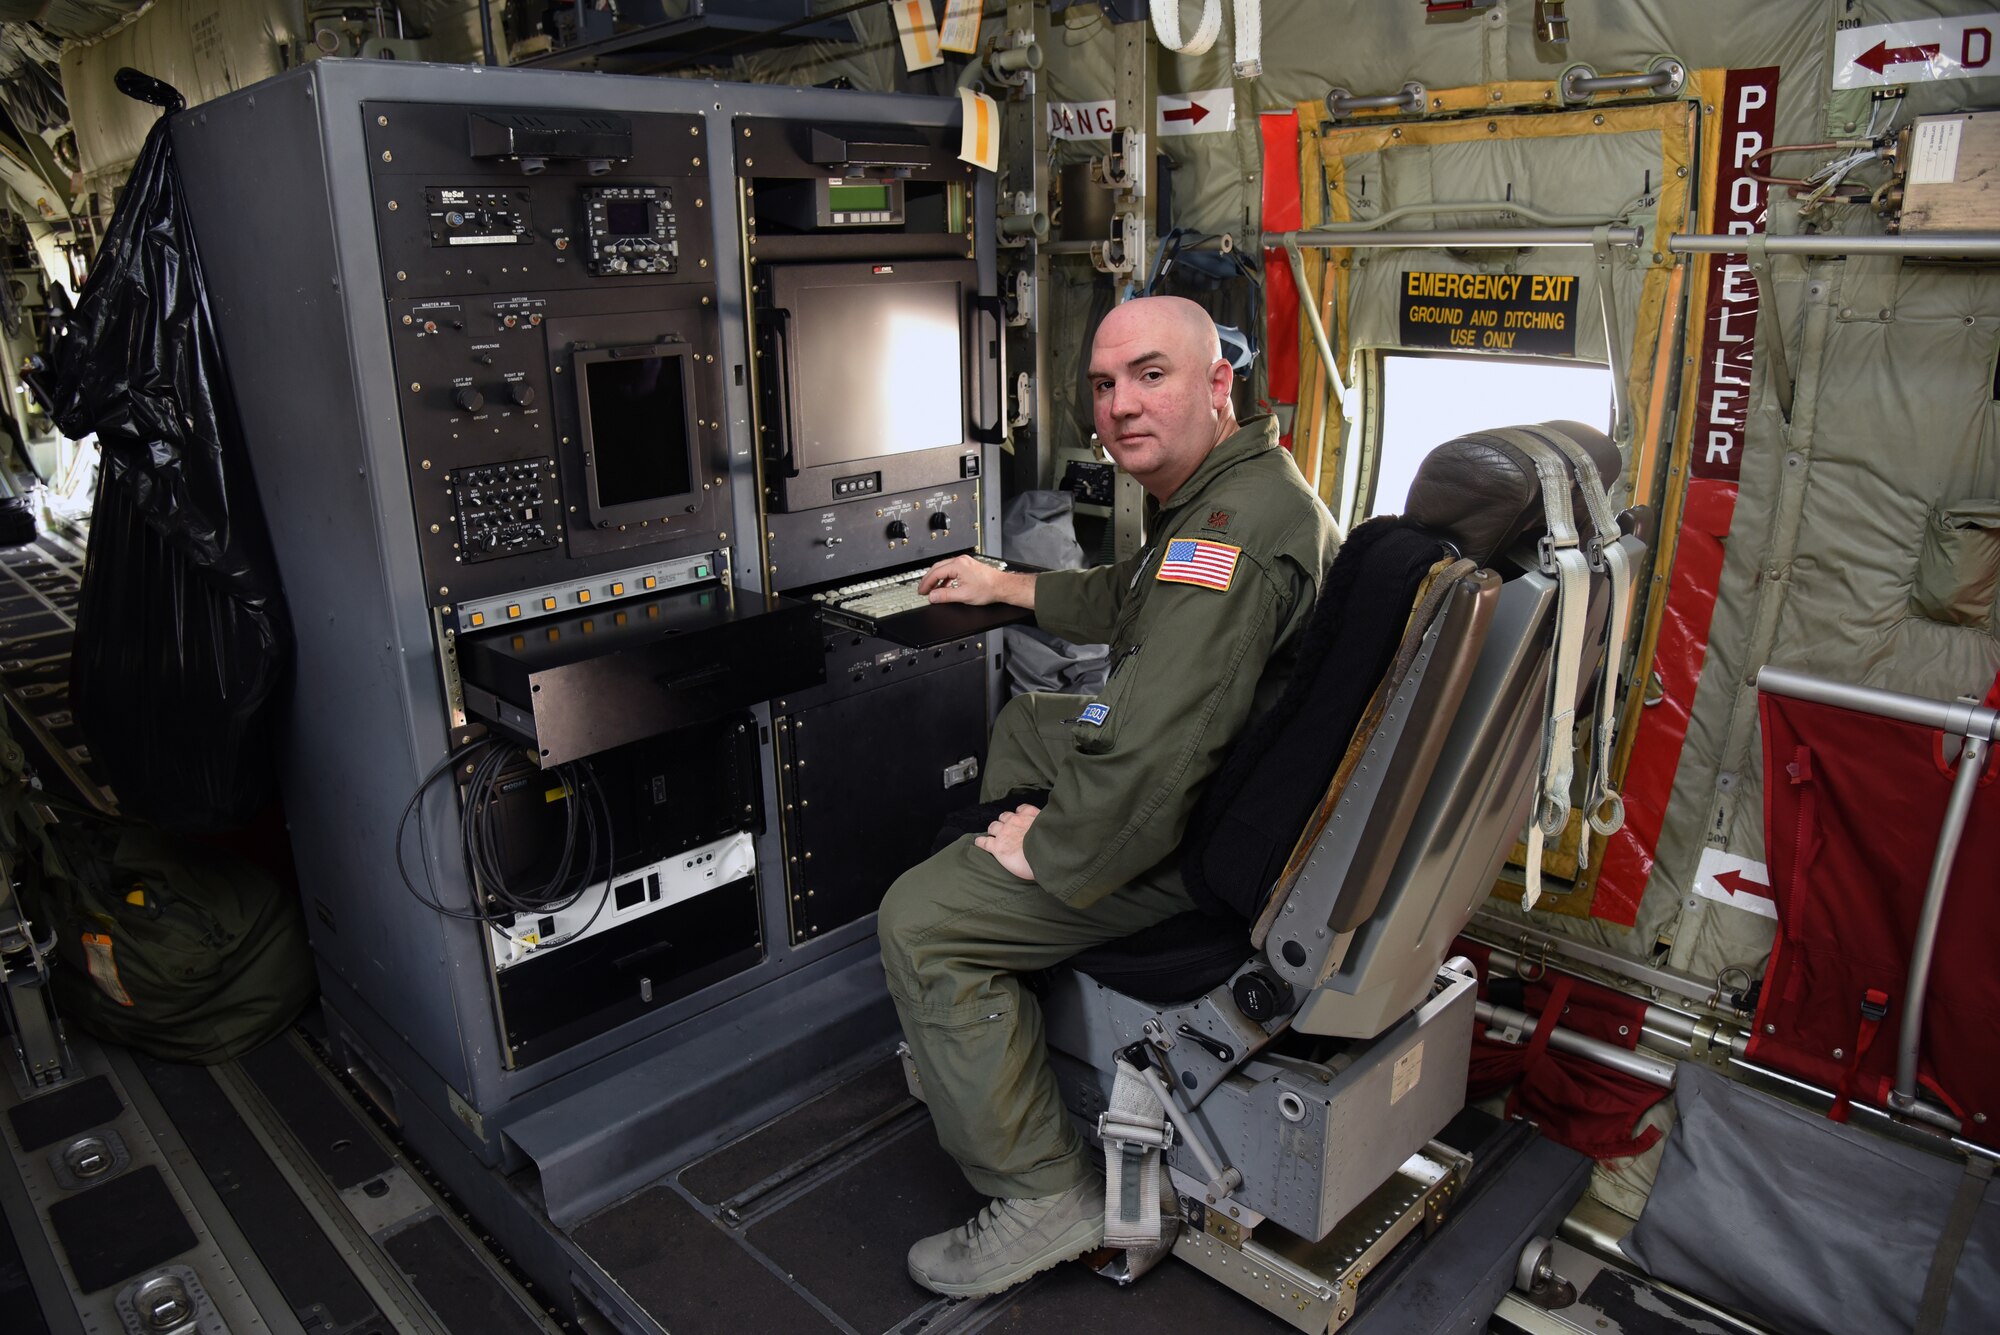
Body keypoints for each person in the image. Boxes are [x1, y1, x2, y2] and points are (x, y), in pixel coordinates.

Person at [877, 295, 1341, 1297]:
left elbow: (1155, 748)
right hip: (1229, 795)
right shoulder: (1238, 492)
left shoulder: (1232, 534)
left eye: (1150, 375)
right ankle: (1000, 1035)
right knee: (1029, 725)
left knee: (919, 921)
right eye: (1103, 383)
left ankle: (1042, 1189)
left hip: (1201, 842)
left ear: (1218, 383)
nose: (1120, 404)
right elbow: (1138, 594)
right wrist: (1006, 587)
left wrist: (1047, 847)